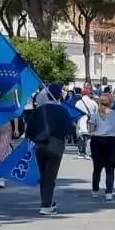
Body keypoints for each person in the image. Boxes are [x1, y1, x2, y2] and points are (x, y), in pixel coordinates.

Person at [26, 84, 75, 216]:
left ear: (47, 95)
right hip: (56, 145)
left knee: (43, 175)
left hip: (40, 145)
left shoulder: (39, 110)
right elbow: (70, 130)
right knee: (50, 176)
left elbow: (29, 130)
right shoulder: (63, 111)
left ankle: (46, 202)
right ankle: (46, 205)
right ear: (60, 95)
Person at [89, 93, 115, 200]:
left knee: (97, 167)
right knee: (110, 168)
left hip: (97, 141)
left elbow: (91, 130)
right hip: (113, 141)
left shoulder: (95, 115)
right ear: (111, 103)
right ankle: (109, 192)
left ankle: (95, 190)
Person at [0, 117, 20, 189]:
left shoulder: (8, 105)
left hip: (6, 127)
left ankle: (2, 178)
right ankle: (1, 174)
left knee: (1, 152)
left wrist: (16, 128)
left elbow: (15, 113)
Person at [74, 89, 97, 159]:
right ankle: (88, 153)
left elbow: (75, 112)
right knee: (89, 138)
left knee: (81, 137)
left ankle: (81, 152)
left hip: (80, 121)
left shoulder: (78, 103)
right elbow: (96, 112)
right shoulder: (93, 102)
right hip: (90, 122)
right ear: (89, 94)